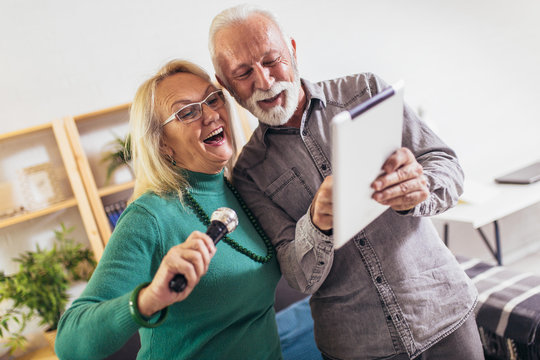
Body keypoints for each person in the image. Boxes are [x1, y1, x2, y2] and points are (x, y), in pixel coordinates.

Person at [209, 5, 485, 360]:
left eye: (272, 60)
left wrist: (422, 187)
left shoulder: (366, 89)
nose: (264, 82)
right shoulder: (247, 173)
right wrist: (317, 224)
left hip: (443, 314)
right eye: (244, 72)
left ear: (292, 50)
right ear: (226, 85)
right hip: (356, 348)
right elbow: (296, 275)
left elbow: (446, 164)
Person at [54, 59, 283, 359]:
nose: (212, 114)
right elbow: (68, 343)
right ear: (162, 144)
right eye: (187, 111)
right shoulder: (148, 217)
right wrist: (149, 300)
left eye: (213, 99)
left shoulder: (241, 187)